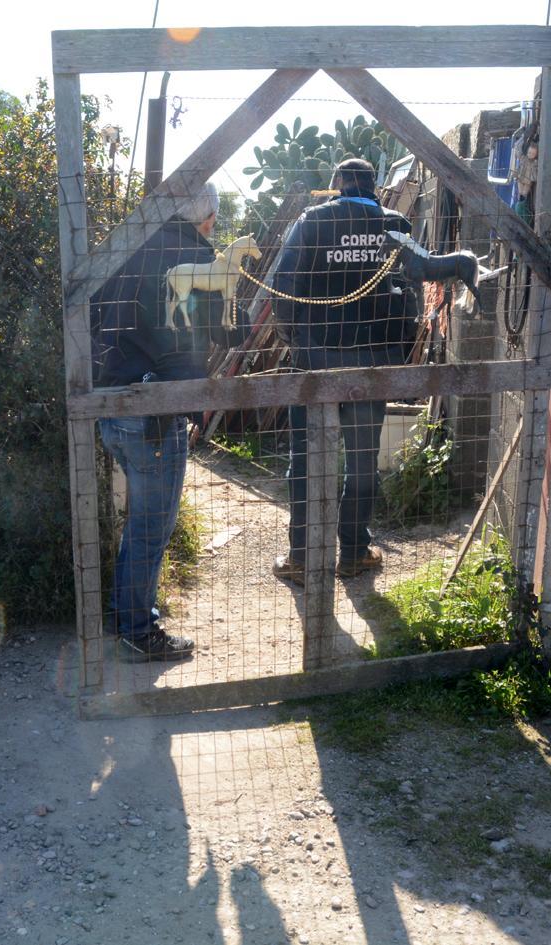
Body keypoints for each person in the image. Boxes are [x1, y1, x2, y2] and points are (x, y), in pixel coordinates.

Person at [90, 183, 236, 662]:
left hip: (109, 402)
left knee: (140, 523)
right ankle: (137, 629)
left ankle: (124, 616)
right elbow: (217, 330)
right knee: (151, 527)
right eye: (214, 216)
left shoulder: (126, 246)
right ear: (207, 217)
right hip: (154, 411)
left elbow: (92, 313)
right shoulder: (195, 255)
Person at [270, 158, 415, 585]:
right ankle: (353, 553)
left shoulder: (311, 222)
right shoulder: (395, 225)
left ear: (337, 186)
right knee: (363, 460)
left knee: (306, 459)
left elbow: (283, 286)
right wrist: (395, 348)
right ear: (374, 188)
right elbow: (411, 293)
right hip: (371, 364)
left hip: (314, 363)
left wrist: (296, 340)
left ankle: (301, 557)